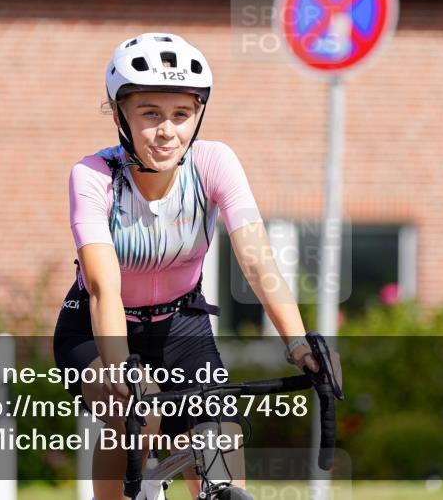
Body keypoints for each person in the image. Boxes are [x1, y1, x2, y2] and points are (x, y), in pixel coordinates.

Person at [53, 33, 341, 500]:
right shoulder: (93, 176)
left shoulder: (214, 163)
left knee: (220, 435)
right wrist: (119, 366)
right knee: (133, 413)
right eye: (150, 113)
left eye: (181, 115)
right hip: (95, 326)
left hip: (182, 324)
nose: (167, 131)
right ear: (119, 113)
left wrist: (297, 342)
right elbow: (104, 287)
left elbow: (256, 258)